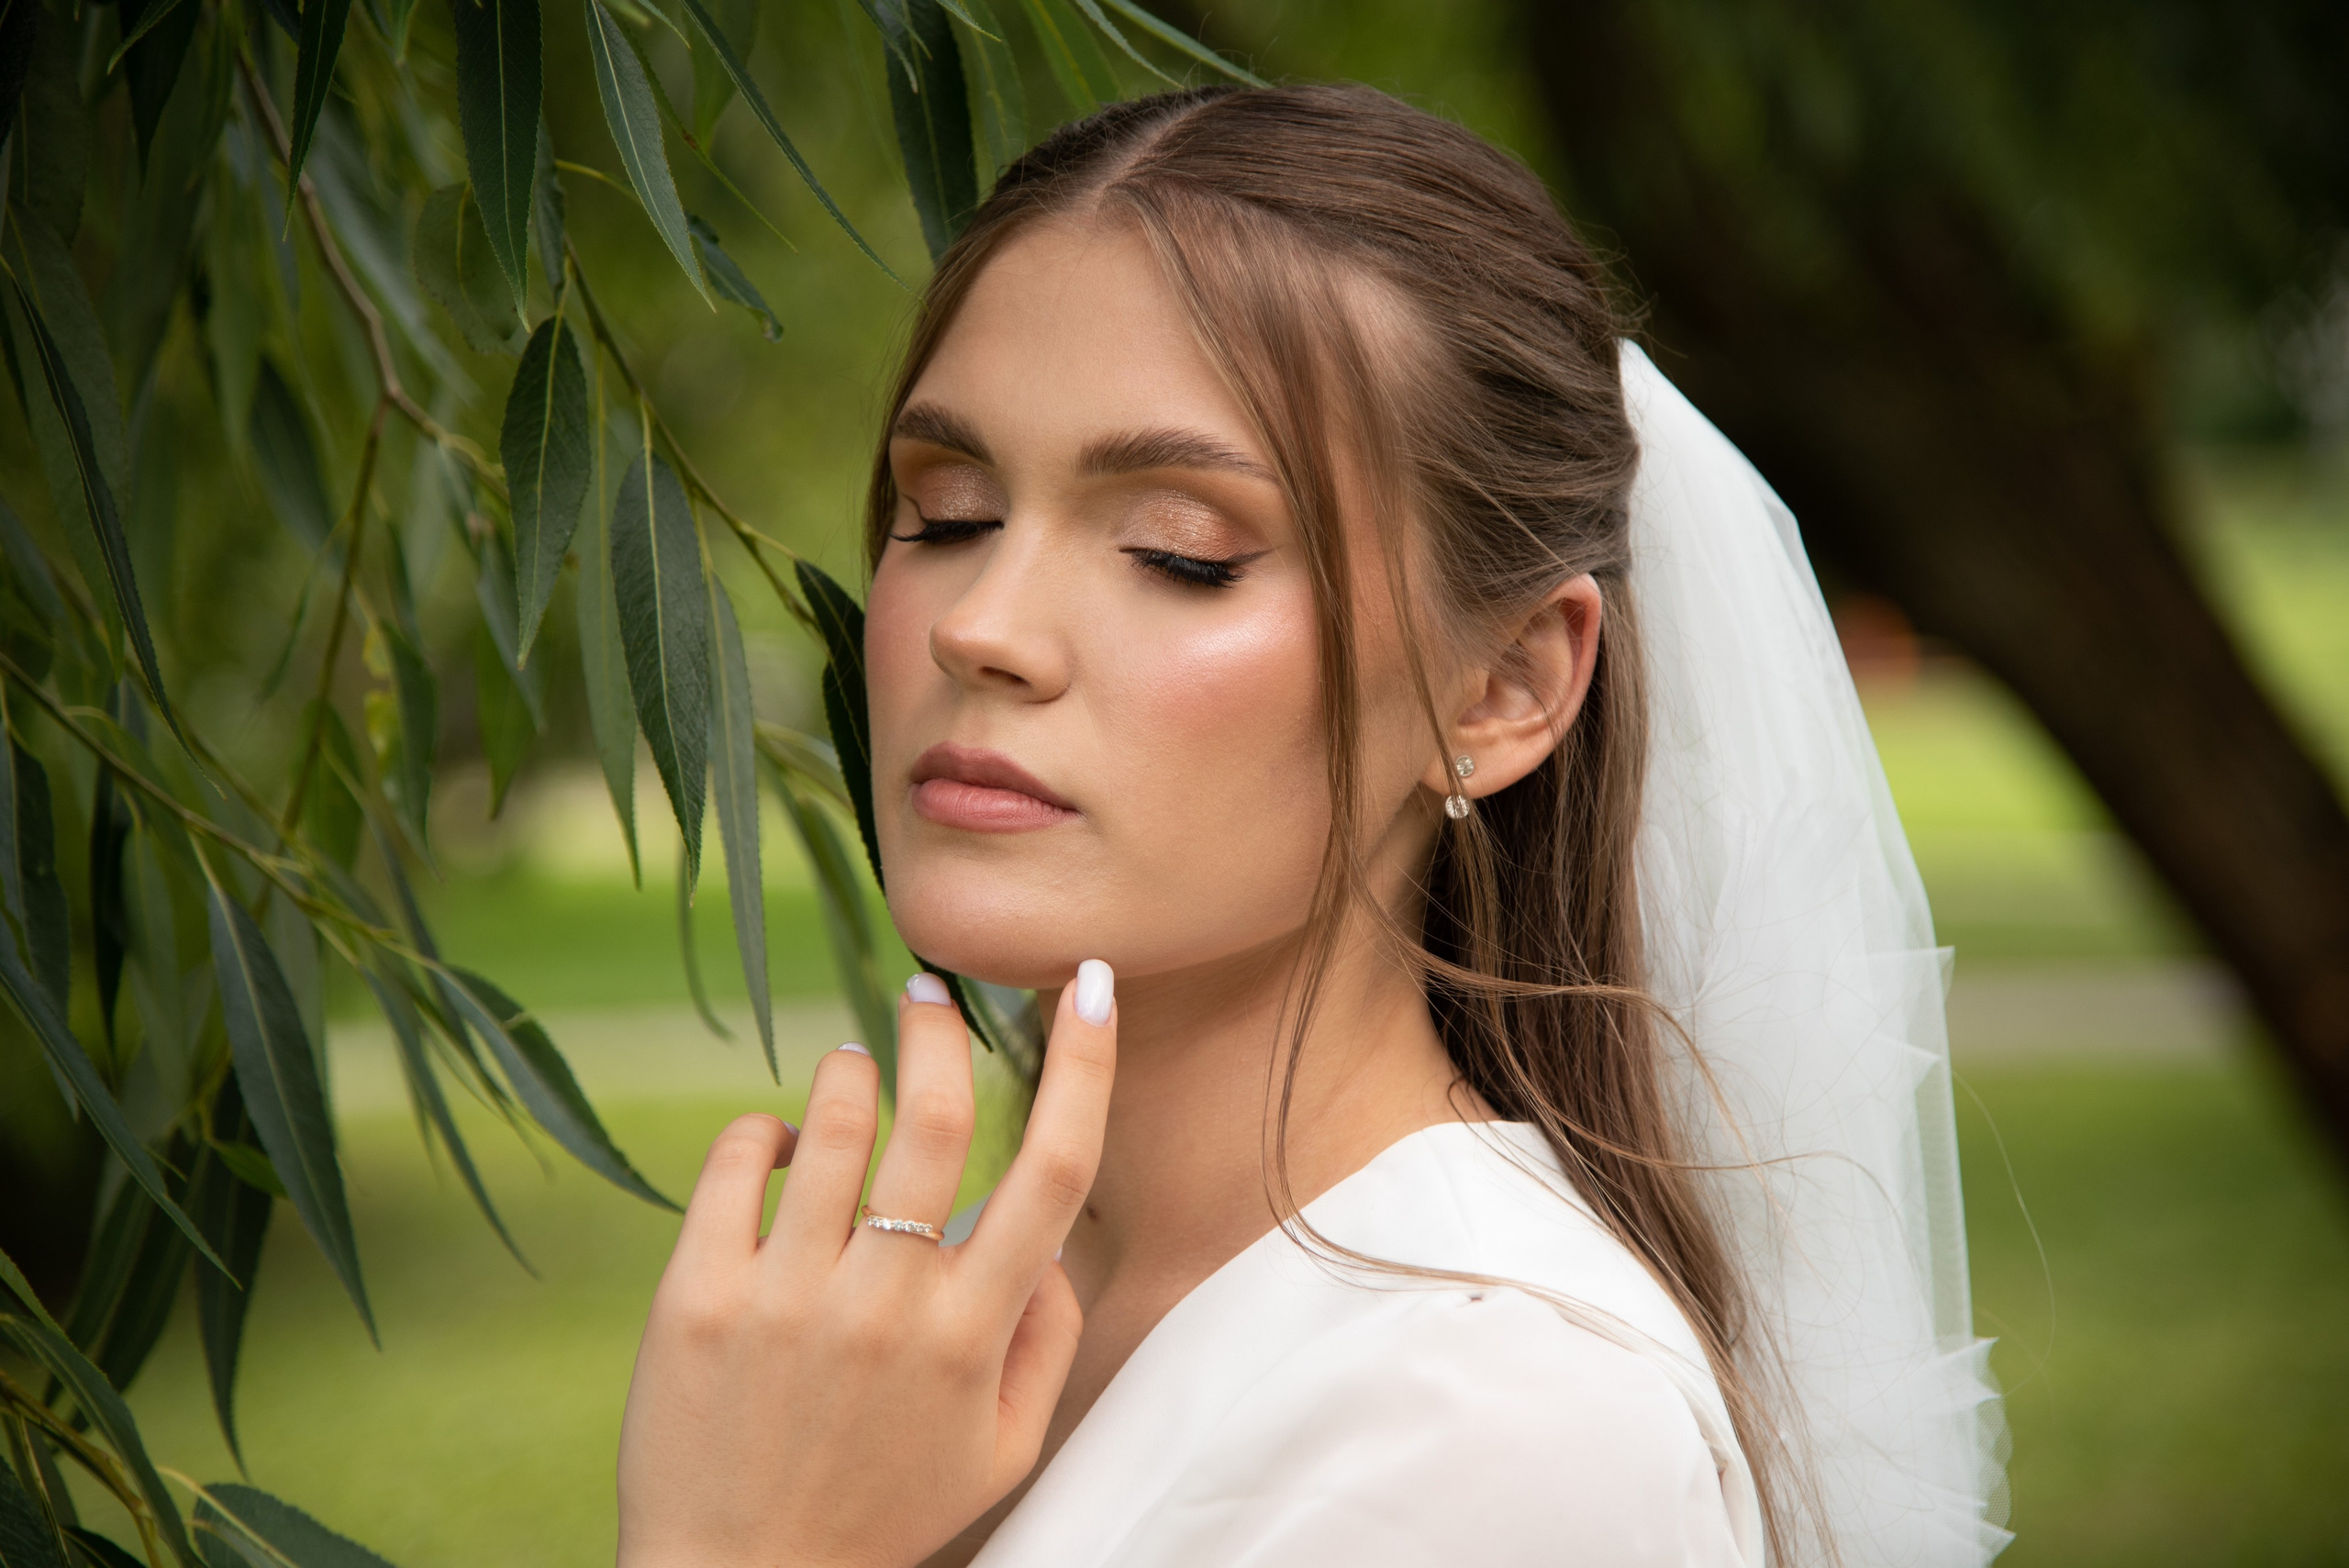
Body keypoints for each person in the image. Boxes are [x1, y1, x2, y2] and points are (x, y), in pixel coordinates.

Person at [614, 83, 2009, 1568]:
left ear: (1503, 687)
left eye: (1183, 551)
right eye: (948, 511)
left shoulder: (1503, 1427)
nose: (983, 625)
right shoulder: (934, 1341)